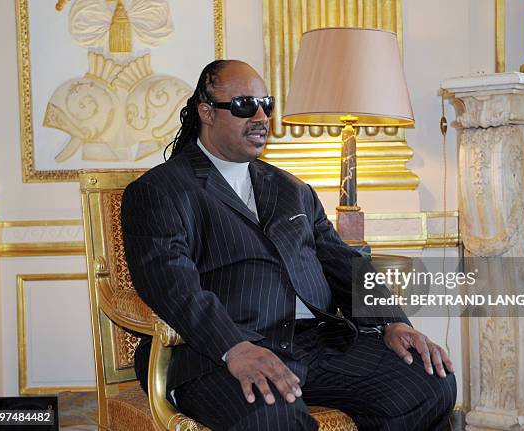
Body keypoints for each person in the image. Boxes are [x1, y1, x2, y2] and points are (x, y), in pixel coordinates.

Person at [121, 59, 456, 431]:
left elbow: (343, 263)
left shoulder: (292, 189)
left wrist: (393, 322)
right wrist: (235, 347)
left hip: (315, 345)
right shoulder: (160, 191)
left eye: (267, 104)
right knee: (274, 416)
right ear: (207, 113)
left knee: (429, 383)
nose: (261, 116)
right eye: (244, 105)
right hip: (216, 353)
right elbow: (172, 286)